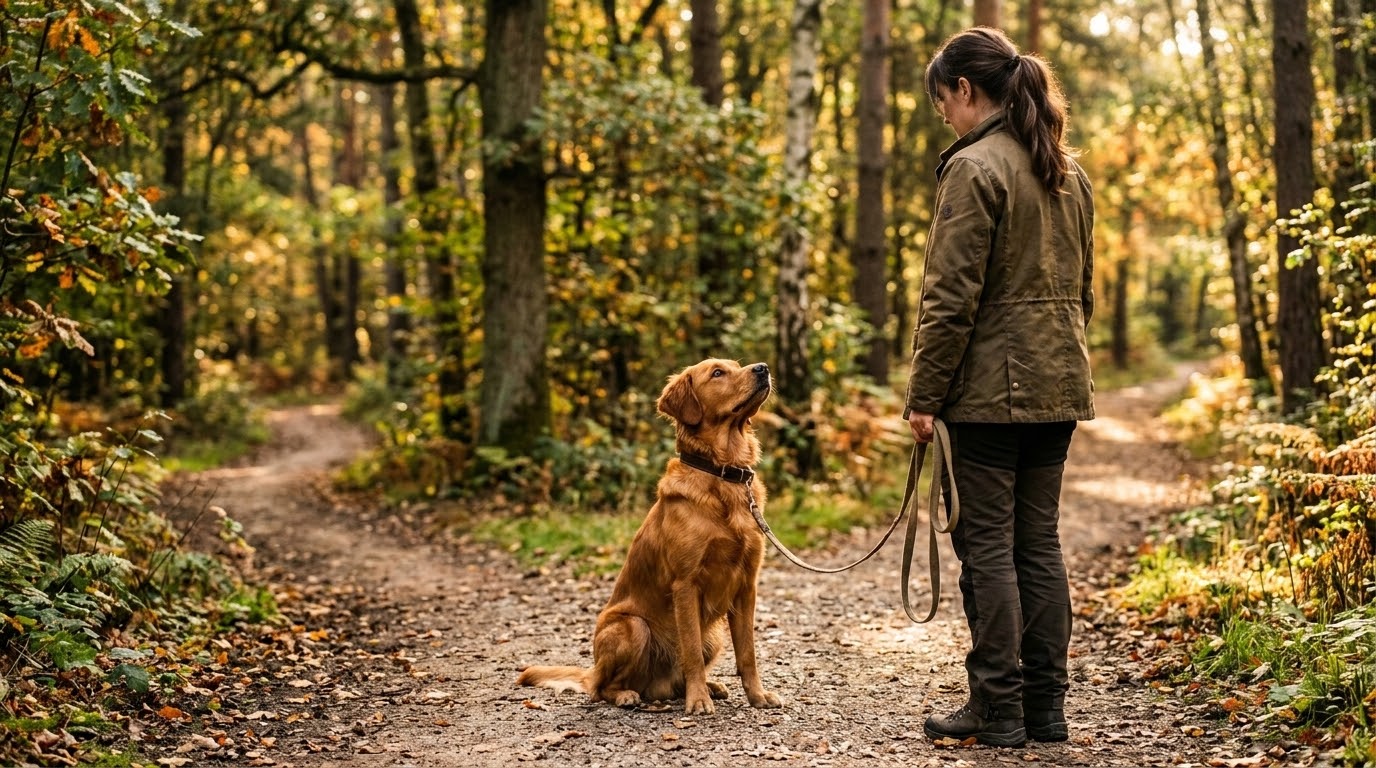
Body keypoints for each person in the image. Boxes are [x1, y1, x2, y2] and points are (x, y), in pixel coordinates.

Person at [903, 26, 1095, 748]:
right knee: (1036, 545)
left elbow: (949, 300)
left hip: (989, 393)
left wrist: (925, 396)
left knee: (988, 547)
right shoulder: (1067, 173)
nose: (944, 118)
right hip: (1058, 384)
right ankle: (1046, 711)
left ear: (963, 89)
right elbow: (1084, 291)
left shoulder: (974, 169)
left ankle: (999, 710)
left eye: (941, 103)